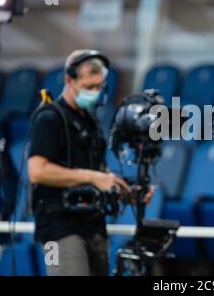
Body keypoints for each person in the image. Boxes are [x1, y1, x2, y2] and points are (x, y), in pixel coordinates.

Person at [28, 50, 153, 276]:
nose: (95, 92)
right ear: (69, 80)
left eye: (99, 86)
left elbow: (99, 172)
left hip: (93, 224)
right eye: (89, 86)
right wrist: (92, 177)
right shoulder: (49, 117)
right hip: (59, 228)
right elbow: (37, 171)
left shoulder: (91, 122)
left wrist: (125, 191)